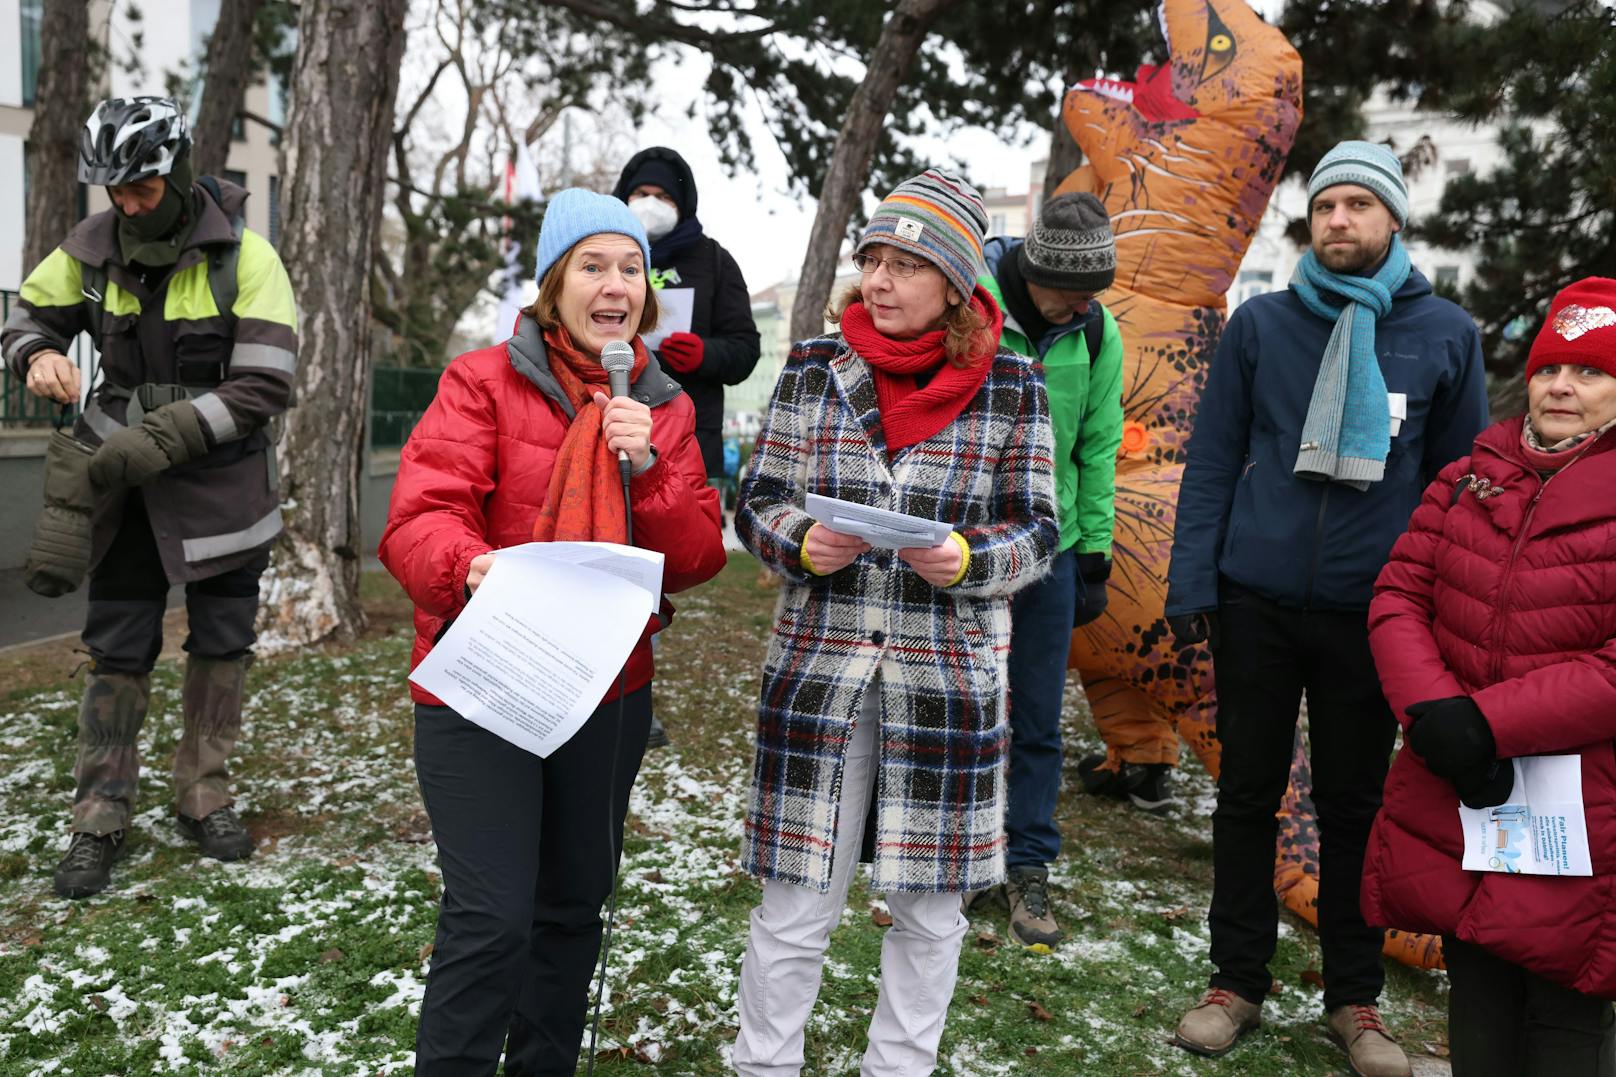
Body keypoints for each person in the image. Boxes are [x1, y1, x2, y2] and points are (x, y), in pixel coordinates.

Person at [378, 188, 725, 1073]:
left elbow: (692, 558)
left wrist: (646, 464)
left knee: (571, 908)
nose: (614, 284)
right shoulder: (480, 381)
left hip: (607, 690)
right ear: (552, 283)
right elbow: (418, 519)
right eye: (592, 264)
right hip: (485, 677)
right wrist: (474, 566)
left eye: (631, 268)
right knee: (492, 918)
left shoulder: (663, 406)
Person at [1163, 140, 1489, 1075]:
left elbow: (1455, 488)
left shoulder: (1445, 335)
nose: (1338, 220)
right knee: (1245, 795)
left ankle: (1353, 999)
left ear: (1393, 218)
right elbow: (1214, 458)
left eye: (1358, 205)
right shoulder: (1261, 325)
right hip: (1254, 602)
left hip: (1375, 613)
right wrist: (1196, 585)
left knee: (1356, 806)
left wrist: (1436, 616)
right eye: (1326, 204)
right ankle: (1237, 981)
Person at [731, 169, 1058, 1075]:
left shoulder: (1013, 383)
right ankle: (763, 1064)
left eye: (905, 264)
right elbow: (755, 499)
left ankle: (898, 1068)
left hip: (944, 682)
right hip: (820, 677)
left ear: (955, 282)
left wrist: (967, 560)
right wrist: (798, 543)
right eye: (871, 258)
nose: (878, 280)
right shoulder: (810, 367)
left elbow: (1038, 530)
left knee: (929, 912)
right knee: (796, 905)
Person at [1, 96, 298, 898]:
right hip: (123, 490)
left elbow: (267, 381)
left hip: (223, 489)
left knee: (222, 641)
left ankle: (205, 792)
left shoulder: (248, 257)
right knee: (119, 646)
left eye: (141, 187)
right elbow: (26, 316)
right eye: (116, 191)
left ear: (177, 170)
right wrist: (35, 355)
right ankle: (99, 811)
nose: (128, 203)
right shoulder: (88, 250)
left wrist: (166, 436)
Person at [1363, 277, 1616, 1076]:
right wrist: (1436, 710)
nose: (1563, 387)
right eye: (1549, 370)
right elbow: (1400, 592)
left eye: (1591, 372)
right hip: (1467, 788)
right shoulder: (1469, 478)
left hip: (1585, 806)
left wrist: (1488, 721)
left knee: (1568, 1008)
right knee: (1476, 981)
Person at [971, 191, 1127, 950]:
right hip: (965, 541)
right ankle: (958, 859)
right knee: (964, 706)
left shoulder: (1097, 331)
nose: (1080, 307)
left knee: (1036, 718)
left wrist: (1093, 551)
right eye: (1070, 292)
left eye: (1092, 294)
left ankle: (1028, 861)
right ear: (1034, 270)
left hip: (1051, 549)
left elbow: (1099, 445)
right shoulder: (974, 304)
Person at [612, 146, 761, 749]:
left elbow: (745, 347)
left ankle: (635, 693)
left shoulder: (713, 261)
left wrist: (707, 355)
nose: (651, 206)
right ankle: (610, 694)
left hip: (681, 434)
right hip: (605, 424)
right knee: (607, 555)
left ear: (686, 204)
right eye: (642, 194)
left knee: (655, 566)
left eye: (665, 197)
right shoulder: (604, 251)